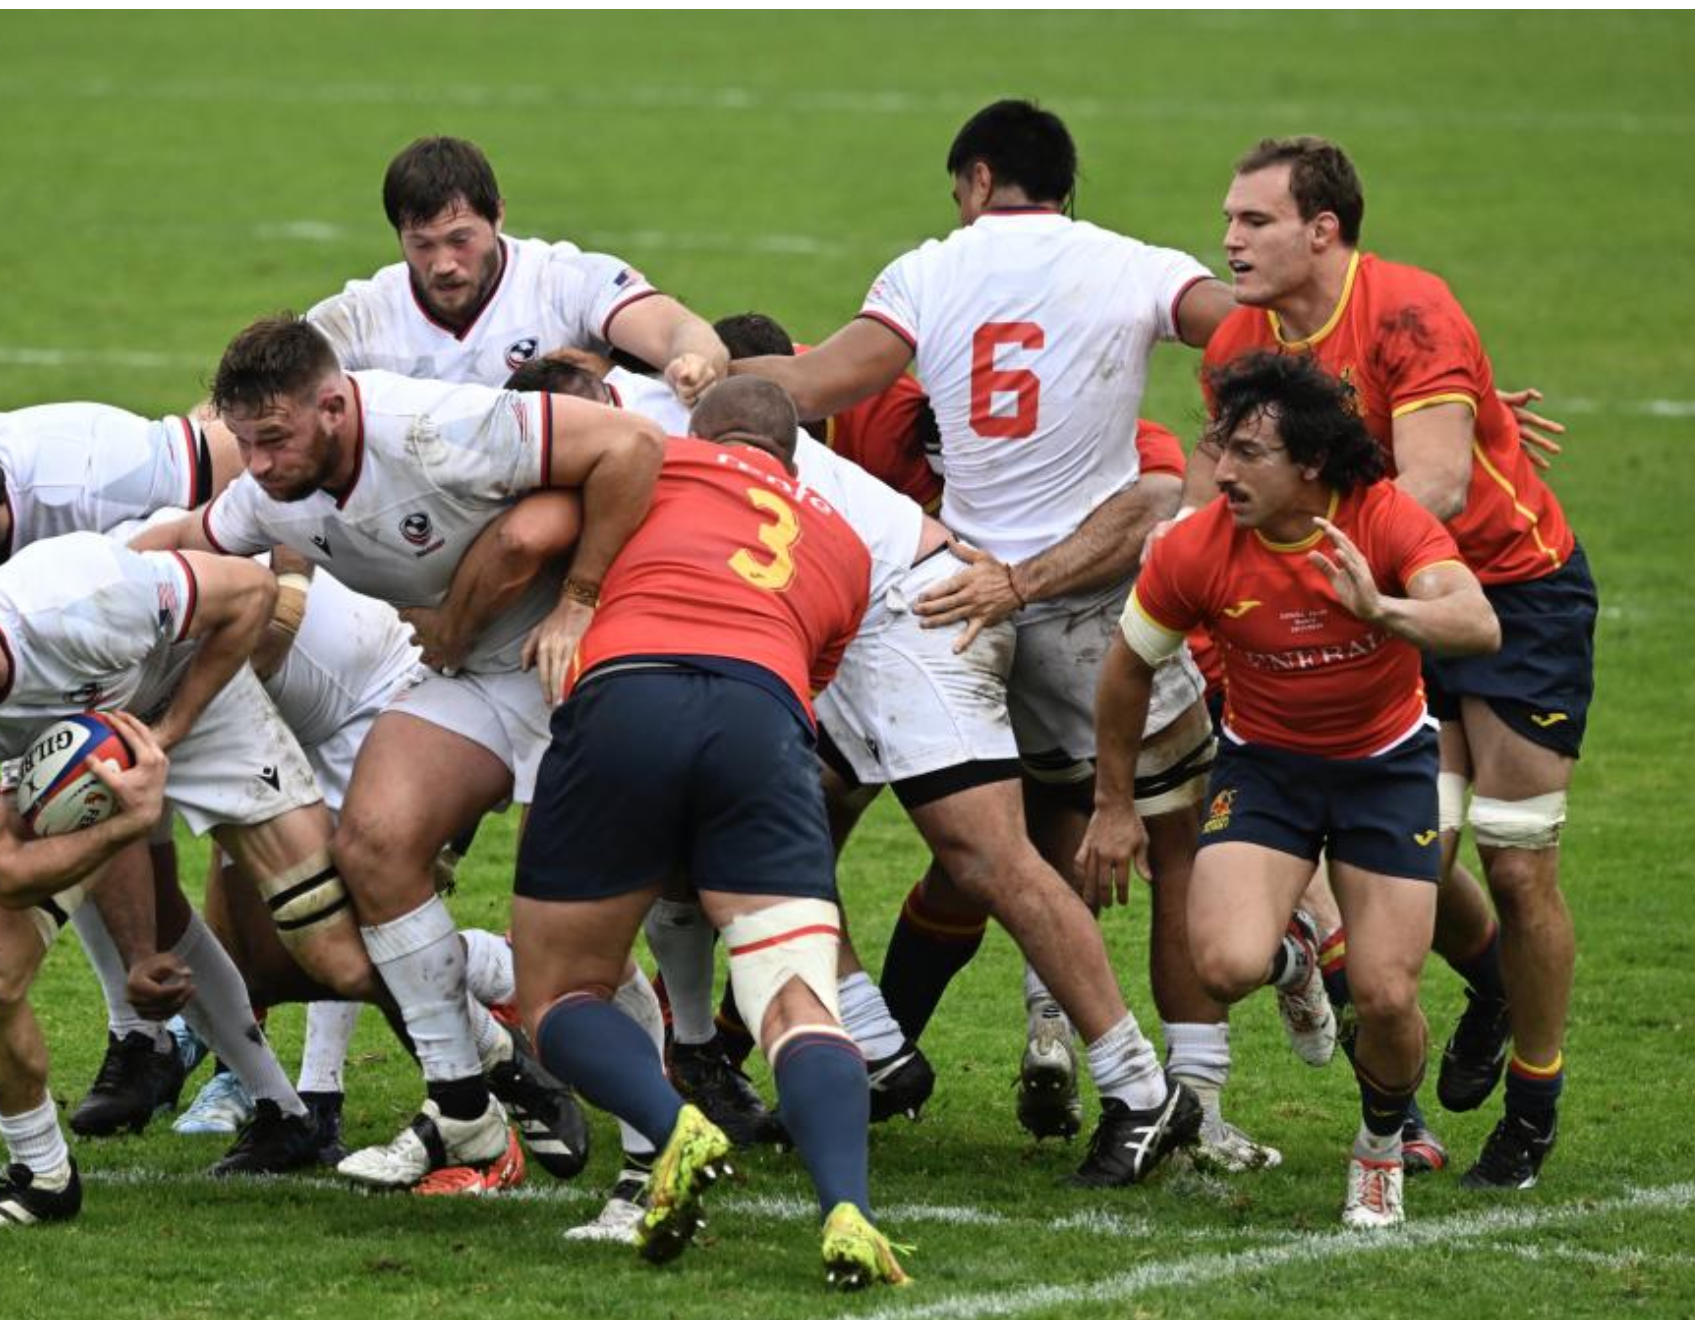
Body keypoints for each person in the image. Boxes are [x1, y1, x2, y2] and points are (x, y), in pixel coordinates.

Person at [736, 100, 1273, 1159]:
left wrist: (684, 387)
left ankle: (864, 1041)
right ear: (1065, 186)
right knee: (1169, 852)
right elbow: (1247, 325)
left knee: (811, 808)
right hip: (1095, 606)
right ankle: (1193, 1100)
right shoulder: (1131, 264)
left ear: (977, 180)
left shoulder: (928, 269)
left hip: (958, 595)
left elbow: (826, 380)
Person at [134, 312, 664, 1192]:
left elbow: (632, 446)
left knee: (578, 926)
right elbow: (190, 540)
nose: (257, 464)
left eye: (273, 439)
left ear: (336, 406)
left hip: (591, 659)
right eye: (245, 444)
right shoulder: (271, 489)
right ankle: (464, 1107)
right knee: (373, 847)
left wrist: (577, 598)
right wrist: (80, 587)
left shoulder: (435, 428)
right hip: (477, 673)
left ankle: (655, 1152)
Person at [1199, 136, 1596, 1189]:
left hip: (1511, 593)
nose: (1228, 238)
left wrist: (1305, 573)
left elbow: (1438, 486)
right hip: (1365, 601)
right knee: (1407, 860)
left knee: (1516, 863)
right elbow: (1236, 482)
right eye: (1229, 219)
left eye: (1253, 221)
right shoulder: (1240, 340)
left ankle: (1535, 1097)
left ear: (1322, 231)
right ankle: (1479, 1009)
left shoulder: (1411, 309)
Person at [0, 533, 398, 1226]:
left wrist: (171, 729)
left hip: (185, 694)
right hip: (77, 748)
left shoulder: (83, 597)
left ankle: (488, 1058)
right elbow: (4, 868)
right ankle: (45, 1177)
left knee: (333, 948)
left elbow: (249, 590)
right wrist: (128, 832)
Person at [1082, 350, 1499, 1228]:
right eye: (1219, 449)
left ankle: (1380, 1145)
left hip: (1385, 773)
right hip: (1267, 769)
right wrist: (1113, 803)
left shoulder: (1382, 521)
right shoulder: (1196, 548)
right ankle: (1295, 958)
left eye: (1247, 454)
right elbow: (1125, 672)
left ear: (1309, 463)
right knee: (1226, 963)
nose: (1221, 472)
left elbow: (1476, 622)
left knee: (1387, 997)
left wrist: (1384, 612)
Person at [513, 378, 909, 1289]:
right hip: (762, 719)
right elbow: (811, 670)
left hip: (630, 692)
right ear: (794, 455)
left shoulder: (652, 461)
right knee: (796, 1000)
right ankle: (847, 1206)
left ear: (699, 433)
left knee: (561, 990)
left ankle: (672, 1119)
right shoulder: (844, 543)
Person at [0, 407, 244, 1138]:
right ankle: (142, 1037)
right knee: (71, 803)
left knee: (291, 884)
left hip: (198, 626)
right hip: (56, 672)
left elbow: (240, 464)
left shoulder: (91, 467)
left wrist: (277, 590)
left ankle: (292, 1087)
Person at [306, 135, 726, 401]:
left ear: (498, 217)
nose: (443, 265)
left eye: (460, 239)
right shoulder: (360, 316)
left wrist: (693, 362)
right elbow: (264, 393)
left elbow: (676, 328)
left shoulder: (562, 279)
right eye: (421, 245)